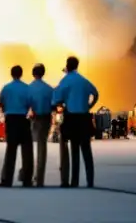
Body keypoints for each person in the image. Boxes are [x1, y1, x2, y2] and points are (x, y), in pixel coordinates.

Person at [53, 56, 98, 188]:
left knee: (74, 150)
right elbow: (95, 93)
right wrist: (90, 105)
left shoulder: (65, 81)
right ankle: (90, 181)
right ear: (77, 66)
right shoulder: (83, 80)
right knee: (87, 151)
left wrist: (62, 104)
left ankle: (75, 181)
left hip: (71, 117)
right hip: (84, 117)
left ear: (67, 65)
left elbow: (56, 99)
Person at [0, 65, 33, 187]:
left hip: (10, 120)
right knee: (27, 151)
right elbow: (30, 104)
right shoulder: (27, 88)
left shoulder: (6, 88)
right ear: (21, 74)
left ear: (11, 74)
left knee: (11, 151)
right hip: (23, 119)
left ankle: (7, 179)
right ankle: (27, 179)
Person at [27, 63, 55, 186]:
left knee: (27, 147)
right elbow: (54, 105)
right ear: (43, 73)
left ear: (33, 74)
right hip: (45, 118)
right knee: (42, 147)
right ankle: (39, 177)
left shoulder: (28, 88)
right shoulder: (49, 89)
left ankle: (26, 174)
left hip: (33, 118)